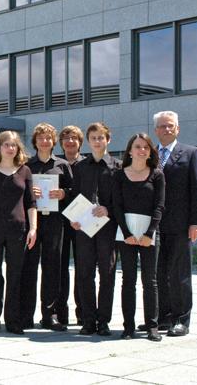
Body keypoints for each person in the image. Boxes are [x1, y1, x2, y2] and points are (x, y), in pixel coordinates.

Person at [0, 131, 37, 335]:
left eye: (14, 145)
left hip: (18, 231)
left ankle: (13, 320)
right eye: (6, 145)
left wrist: (33, 228)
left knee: (15, 275)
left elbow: (31, 203)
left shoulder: (25, 171)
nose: (10, 148)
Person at [151, 111, 197, 337]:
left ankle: (182, 320)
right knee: (158, 273)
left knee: (180, 273)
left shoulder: (191, 153)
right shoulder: (148, 153)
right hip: (155, 226)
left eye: (171, 126)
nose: (167, 129)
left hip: (181, 225)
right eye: (162, 126)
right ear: (156, 130)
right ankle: (163, 318)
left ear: (178, 129)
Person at [112, 133, 164, 341]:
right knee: (128, 280)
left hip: (149, 232)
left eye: (145, 147)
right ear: (130, 151)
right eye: (137, 146)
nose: (142, 150)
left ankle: (152, 326)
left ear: (150, 151)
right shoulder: (119, 174)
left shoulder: (157, 174)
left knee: (150, 281)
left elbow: (159, 206)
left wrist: (149, 234)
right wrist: (127, 234)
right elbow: (117, 206)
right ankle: (128, 327)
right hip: (126, 233)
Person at [71, 122, 121, 336]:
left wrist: (108, 210)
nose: (98, 141)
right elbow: (74, 196)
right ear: (88, 142)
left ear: (108, 140)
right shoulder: (80, 167)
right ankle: (89, 320)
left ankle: (104, 321)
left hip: (108, 229)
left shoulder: (118, 167)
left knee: (107, 274)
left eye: (101, 137)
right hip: (84, 228)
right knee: (84, 273)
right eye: (93, 138)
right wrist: (73, 218)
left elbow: (122, 199)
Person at [21, 123, 72, 331]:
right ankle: (25, 315)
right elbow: (18, 191)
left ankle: (49, 315)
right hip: (32, 221)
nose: (44, 141)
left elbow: (72, 190)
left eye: (48, 138)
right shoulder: (25, 166)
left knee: (53, 267)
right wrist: (28, 190)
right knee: (29, 267)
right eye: (40, 138)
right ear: (35, 141)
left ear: (53, 141)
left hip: (54, 220)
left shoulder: (62, 165)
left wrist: (63, 194)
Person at [56, 125, 85, 326]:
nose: (69, 141)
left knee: (83, 267)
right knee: (60, 268)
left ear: (80, 142)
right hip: (59, 222)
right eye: (65, 138)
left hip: (82, 222)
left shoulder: (88, 163)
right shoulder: (56, 164)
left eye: (73, 138)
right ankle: (61, 313)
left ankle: (83, 312)